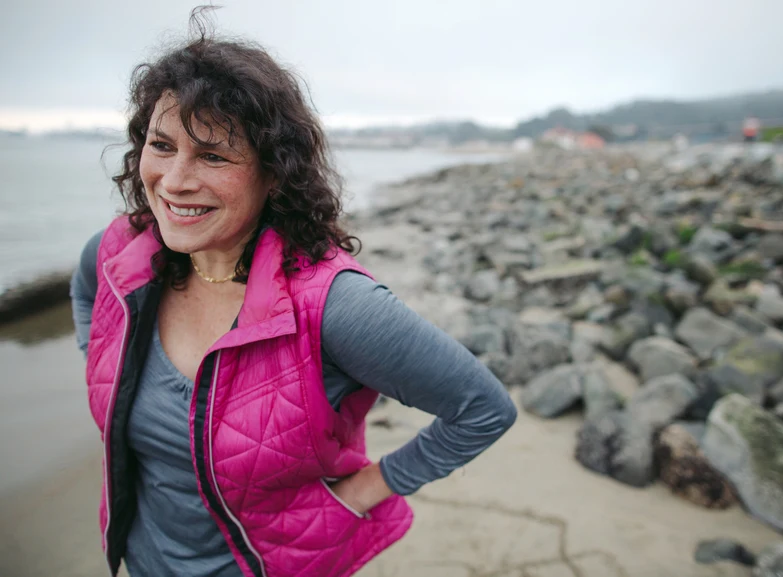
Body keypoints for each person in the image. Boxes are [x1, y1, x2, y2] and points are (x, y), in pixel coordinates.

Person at [70, 9, 516, 577]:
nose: (175, 180)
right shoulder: (120, 254)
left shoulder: (334, 306)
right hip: (143, 557)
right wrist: (99, 361)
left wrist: (361, 493)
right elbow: (86, 290)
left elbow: (482, 409)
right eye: (162, 145)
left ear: (274, 173)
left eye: (212, 155)